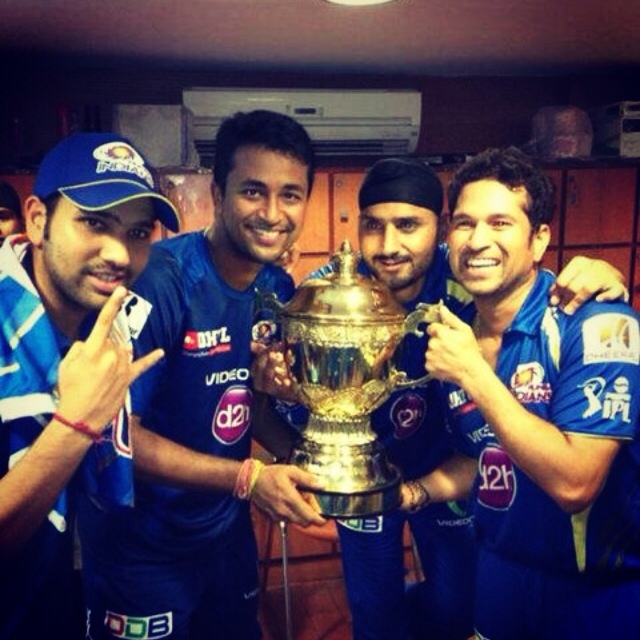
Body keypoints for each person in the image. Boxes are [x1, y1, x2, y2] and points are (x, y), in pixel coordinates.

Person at [252, 156, 628, 640]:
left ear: (439, 231)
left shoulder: (466, 293)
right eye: (373, 226)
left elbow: (528, 282)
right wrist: (285, 409)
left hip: (454, 476)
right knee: (376, 615)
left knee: (454, 610)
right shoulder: (327, 295)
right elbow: (269, 398)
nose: (389, 245)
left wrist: (601, 273)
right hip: (365, 477)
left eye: (408, 225)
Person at [77, 109, 326, 640]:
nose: (272, 213)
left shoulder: (278, 289)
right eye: (253, 191)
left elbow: (244, 407)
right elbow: (116, 435)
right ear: (218, 194)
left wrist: (304, 459)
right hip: (142, 548)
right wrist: (249, 478)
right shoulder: (160, 282)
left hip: (224, 534)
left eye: (290, 194)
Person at [408, 146, 640, 639]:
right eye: (465, 223)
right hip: (498, 574)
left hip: (596, 591)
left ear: (539, 240)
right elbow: (483, 457)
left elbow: (575, 483)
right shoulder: (457, 332)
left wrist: (474, 374)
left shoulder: (600, 323)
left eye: (500, 223)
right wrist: (410, 494)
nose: (478, 240)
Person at [0, 132, 180, 640]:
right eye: (95, 222)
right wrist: (76, 424)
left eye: (138, 231)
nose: (119, 253)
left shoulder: (108, 327)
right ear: (38, 220)